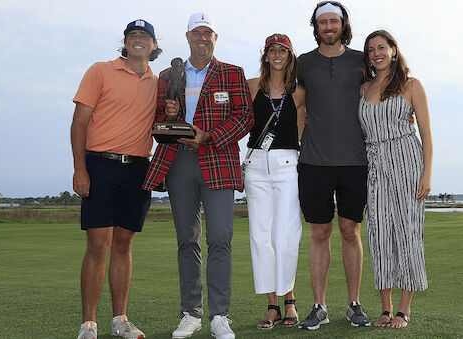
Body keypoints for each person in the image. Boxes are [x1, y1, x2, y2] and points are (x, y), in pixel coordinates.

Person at [142, 12, 253, 339]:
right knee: (187, 240)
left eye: (208, 33)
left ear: (215, 38)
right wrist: (168, 116)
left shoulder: (233, 74)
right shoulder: (167, 75)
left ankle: (220, 315)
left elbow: (245, 116)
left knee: (220, 238)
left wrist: (211, 136)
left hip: (217, 159)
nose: (202, 38)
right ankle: (190, 313)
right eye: (196, 33)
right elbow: (157, 119)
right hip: (178, 162)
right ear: (188, 37)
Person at [71, 19, 161, 339]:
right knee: (98, 245)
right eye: (132, 36)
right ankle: (89, 323)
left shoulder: (159, 82)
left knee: (123, 245)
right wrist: (80, 168)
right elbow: (79, 122)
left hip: (138, 169)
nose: (138, 40)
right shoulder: (100, 70)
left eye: (144, 36)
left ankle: (120, 319)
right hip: (100, 165)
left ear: (154, 45)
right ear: (124, 43)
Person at [296, 1, 372, 330]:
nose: (328, 26)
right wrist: (302, 138)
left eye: (333, 21)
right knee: (320, 233)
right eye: (322, 21)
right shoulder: (302, 63)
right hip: (313, 163)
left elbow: (384, 87)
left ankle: (354, 303)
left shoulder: (361, 60)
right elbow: (291, 102)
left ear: (343, 24)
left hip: (355, 161)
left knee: (350, 231)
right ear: (316, 26)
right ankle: (319, 306)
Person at [359, 29, 432, 329]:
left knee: (408, 233)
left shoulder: (411, 85)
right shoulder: (362, 89)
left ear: (393, 50)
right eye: (371, 49)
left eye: (381, 47)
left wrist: (427, 172)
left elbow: (426, 132)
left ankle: (404, 309)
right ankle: (385, 308)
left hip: (407, 161)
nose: (376, 53)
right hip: (374, 166)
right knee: (378, 235)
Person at [244, 33, 306, 330]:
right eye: (272, 50)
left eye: (283, 50)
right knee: (260, 237)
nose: (277, 54)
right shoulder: (252, 87)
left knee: (286, 236)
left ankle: (290, 301)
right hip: (255, 165)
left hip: (286, 165)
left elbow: (304, 130)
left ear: (290, 55)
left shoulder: (298, 92)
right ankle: (272, 305)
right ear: (265, 55)